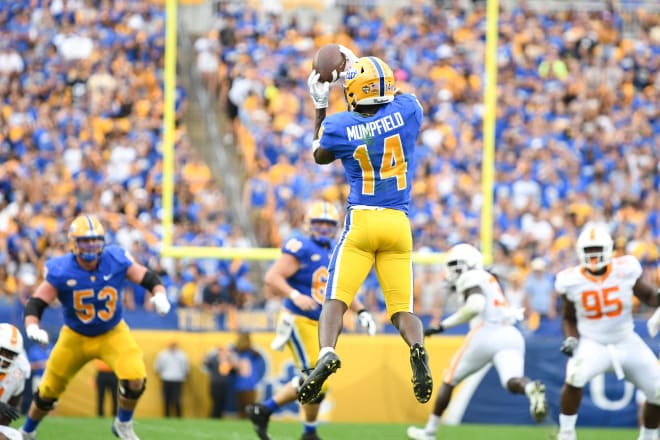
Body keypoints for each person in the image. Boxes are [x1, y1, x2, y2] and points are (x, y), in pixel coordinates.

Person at [297, 48, 432, 406]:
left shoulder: (341, 125)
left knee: (335, 300)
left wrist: (321, 103)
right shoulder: (409, 111)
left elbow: (319, 155)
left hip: (362, 221)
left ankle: (327, 352)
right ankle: (417, 347)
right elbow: (396, 95)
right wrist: (359, 68)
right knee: (403, 310)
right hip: (398, 224)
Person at [19, 214, 172, 440]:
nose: (91, 245)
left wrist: (160, 295)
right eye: (84, 240)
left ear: (102, 240)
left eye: (95, 239)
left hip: (112, 331)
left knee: (135, 377)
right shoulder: (62, 269)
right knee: (49, 390)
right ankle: (28, 431)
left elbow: (148, 277)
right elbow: (36, 302)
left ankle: (123, 423)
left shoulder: (116, 258)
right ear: (74, 243)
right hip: (75, 335)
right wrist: (32, 327)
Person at [247, 201, 377, 440]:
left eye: (329, 224)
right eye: (319, 223)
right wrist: (295, 295)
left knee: (314, 377)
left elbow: (341, 289)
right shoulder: (301, 246)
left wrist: (362, 312)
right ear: (309, 224)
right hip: (298, 320)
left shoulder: (336, 251)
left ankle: (264, 410)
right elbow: (272, 276)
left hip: (319, 326)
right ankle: (308, 432)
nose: (324, 229)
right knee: (317, 377)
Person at [406, 244, 548, 440]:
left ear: (471, 263)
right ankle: (530, 388)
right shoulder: (489, 278)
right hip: (510, 333)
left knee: (449, 378)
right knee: (511, 381)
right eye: (452, 265)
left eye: (458, 265)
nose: (455, 270)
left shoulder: (470, 277)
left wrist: (442, 326)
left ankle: (429, 432)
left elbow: (475, 306)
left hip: (485, 332)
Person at [555, 223, 660, 440]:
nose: (593, 254)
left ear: (609, 249)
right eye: (588, 250)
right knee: (575, 375)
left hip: (625, 338)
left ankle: (649, 436)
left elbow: (649, 296)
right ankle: (566, 433)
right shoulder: (570, 279)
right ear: (580, 252)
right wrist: (571, 339)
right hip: (592, 342)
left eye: (597, 249)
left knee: (658, 389)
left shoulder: (625, 269)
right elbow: (568, 317)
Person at [0, 324, 30, 429]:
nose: (4, 360)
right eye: (2, 352)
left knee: (14, 436)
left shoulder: (18, 372)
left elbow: (11, 409)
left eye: (10, 354)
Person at [154, 341, 190, 418]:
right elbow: (158, 367)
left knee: (177, 399)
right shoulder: (163, 355)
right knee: (166, 399)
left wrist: (183, 375)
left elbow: (186, 367)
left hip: (178, 379)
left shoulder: (182, 355)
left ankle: (178, 416)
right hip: (166, 378)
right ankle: (167, 416)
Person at [202, 345, 237, 419]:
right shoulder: (213, 359)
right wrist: (205, 360)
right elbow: (206, 365)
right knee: (216, 402)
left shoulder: (228, 360)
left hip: (224, 384)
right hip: (215, 384)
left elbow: (234, 370)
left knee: (223, 401)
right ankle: (214, 416)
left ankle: (219, 416)